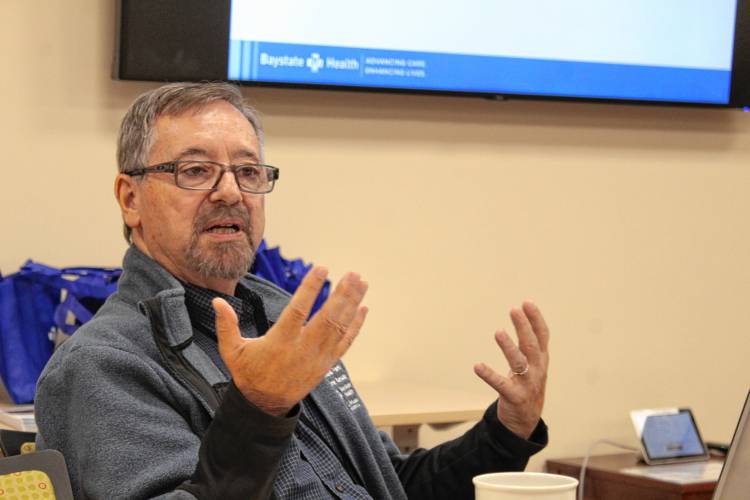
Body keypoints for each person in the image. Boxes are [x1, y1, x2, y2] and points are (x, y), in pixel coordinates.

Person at [35, 82, 550, 499]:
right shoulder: (102, 365)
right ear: (131, 199)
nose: (231, 192)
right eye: (195, 171)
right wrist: (256, 411)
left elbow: (391, 484)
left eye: (248, 171)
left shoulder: (278, 321)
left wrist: (506, 432)